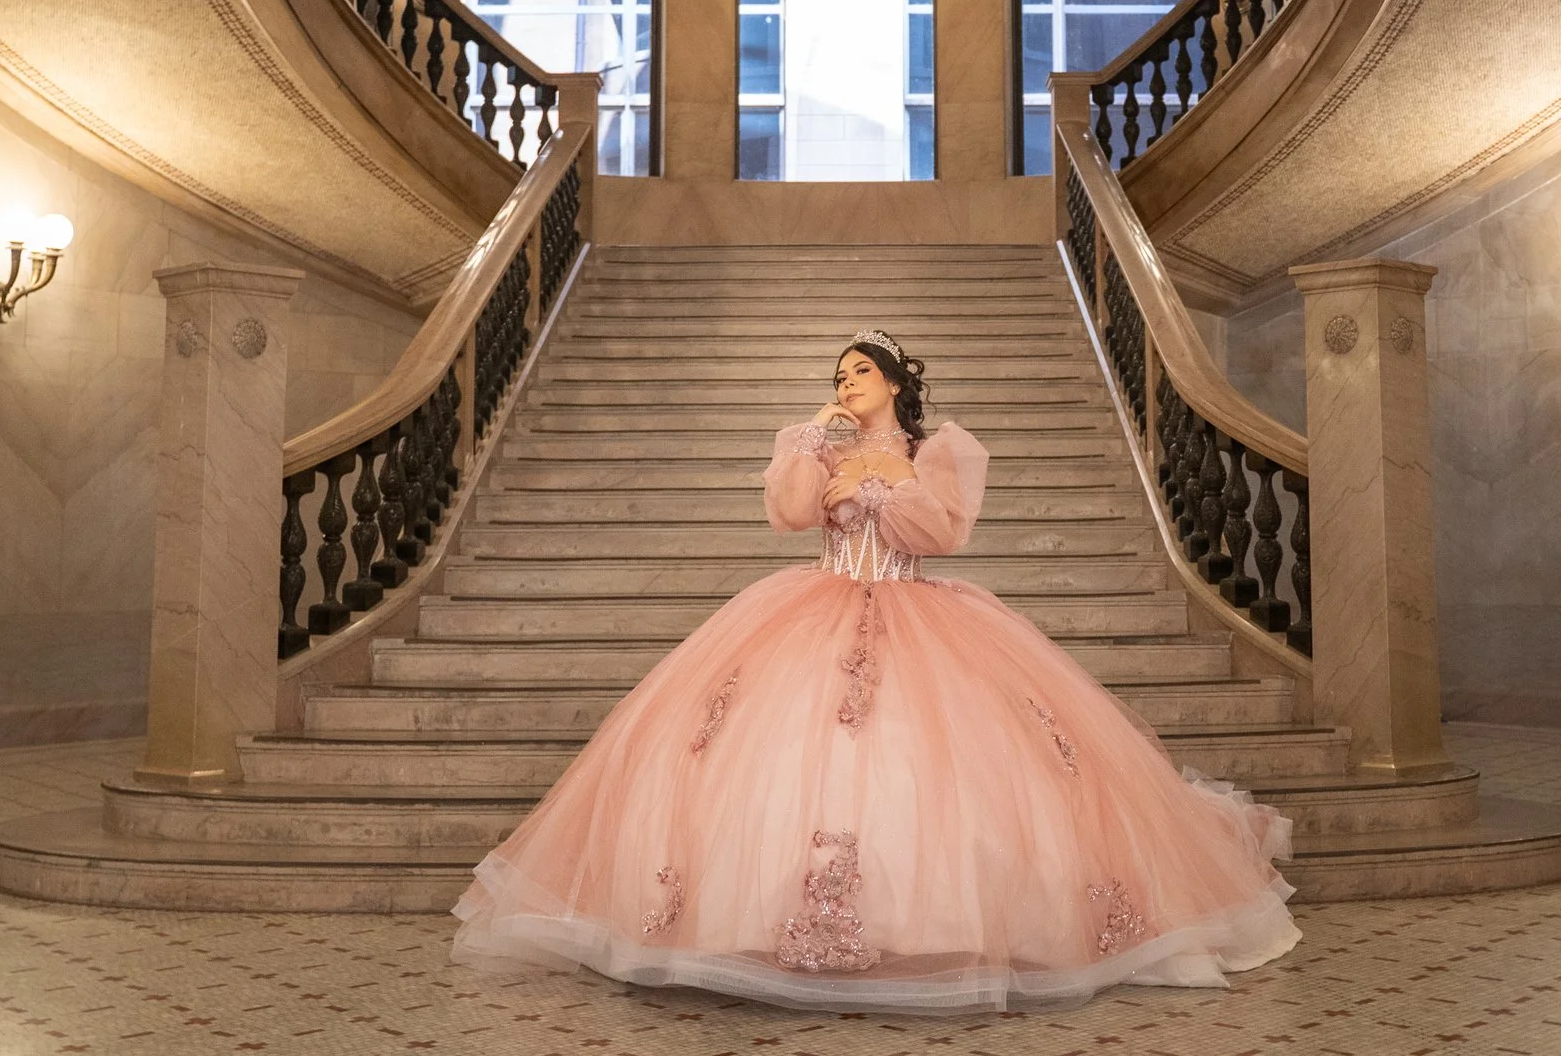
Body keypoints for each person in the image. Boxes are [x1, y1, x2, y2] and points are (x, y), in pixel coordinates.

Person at [450, 328, 1299, 1012]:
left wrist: (886, 491)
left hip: (914, 609)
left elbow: (942, 532)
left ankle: (934, 927)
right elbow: (787, 515)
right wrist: (813, 440)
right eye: (839, 372)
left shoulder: (937, 452)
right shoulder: (816, 448)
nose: (847, 380)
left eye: (860, 370)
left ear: (894, 380)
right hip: (811, 606)